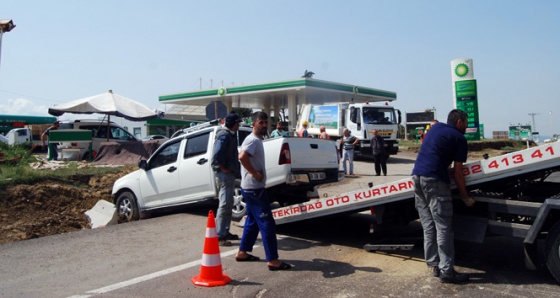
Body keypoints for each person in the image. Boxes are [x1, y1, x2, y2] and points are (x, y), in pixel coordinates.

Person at [411, 109, 475, 284]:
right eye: (466, 122)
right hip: (434, 181)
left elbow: (435, 153)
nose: (467, 126)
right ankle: (447, 271)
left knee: (429, 225)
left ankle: (435, 265)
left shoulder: (436, 128)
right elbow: (459, 174)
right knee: (443, 226)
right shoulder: (459, 138)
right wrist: (465, 198)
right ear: (459, 122)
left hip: (417, 177)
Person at [235, 111, 292, 271]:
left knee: (252, 222)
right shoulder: (252, 140)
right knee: (267, 223)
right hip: (254, 188)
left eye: (266, 123)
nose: (264, 125)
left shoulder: (257, 140)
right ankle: (273, 260)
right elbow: (242, 156)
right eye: (261, 123)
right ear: (253, 124)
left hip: (252, 188)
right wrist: (255, 173)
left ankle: (242, 253)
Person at [212, 112, 242, 246]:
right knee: (224, 205)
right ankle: (219, 235)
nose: (238, 126)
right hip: (224, 175)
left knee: (229, 204)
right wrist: (223, 168)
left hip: (229, 173)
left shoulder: (229, 134)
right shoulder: (224, 135)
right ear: (232, 123)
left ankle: (225, 231)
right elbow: (217, 155)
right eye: (237, 123)